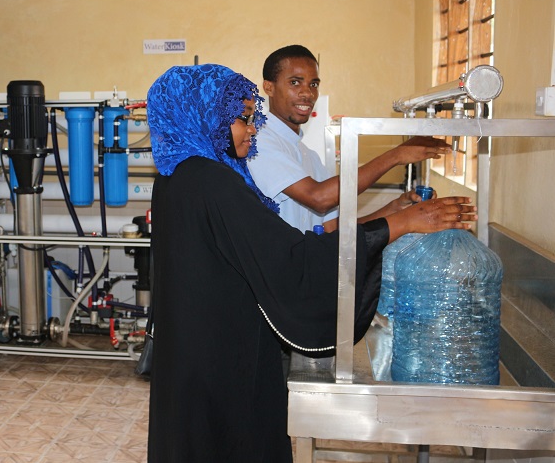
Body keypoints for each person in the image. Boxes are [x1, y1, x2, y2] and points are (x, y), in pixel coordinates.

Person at [145, 63, 476, 463]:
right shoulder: (212, 181)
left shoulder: (175, 177)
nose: (252, 129)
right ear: (205, 113)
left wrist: (392, 219)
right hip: (223, 362)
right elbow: (293, 260)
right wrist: (400, 224)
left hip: (193, 356)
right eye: (243, 118)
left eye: (253, 118)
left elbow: (284, 242)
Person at [248, 44, 451, 232]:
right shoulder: (258, 142)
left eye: (314, 84)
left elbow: (335, 230)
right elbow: (318, 198)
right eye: (295, 82)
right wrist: (395, 156)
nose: (307, 93)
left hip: (306, 265)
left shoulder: (307, 156)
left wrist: (397, 208)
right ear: (269, 87)